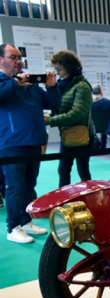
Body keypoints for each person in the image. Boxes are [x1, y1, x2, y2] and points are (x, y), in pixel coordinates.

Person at [0, 43, 60, 243]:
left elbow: (52, 104)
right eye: (13, 57)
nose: (18, 62)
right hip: (11, 143)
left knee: (29, 185)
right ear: (1, 60)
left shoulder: (29, 82)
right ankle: (13, 227)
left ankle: (26, 222)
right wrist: (16, 83)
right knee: (14, 187)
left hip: (34, 141)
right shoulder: (5, 82)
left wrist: (52, 87)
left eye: (19, 58)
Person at [46, 50, 94, 189]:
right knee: (63, 170)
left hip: (82, 135)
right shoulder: (60, 86)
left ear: (70, 67)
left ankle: (90, 199)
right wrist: (51, 88)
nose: (58, 72)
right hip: (66, 134)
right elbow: (56, 107)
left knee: (83, 171)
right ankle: (63, 201)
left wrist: (50, 120)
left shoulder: (82, 86)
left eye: (60, 69)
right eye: (56, 69)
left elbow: (76, 113)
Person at [91, 84, 110, 149]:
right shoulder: (108, 102)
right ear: (101, 92)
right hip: (107, 127)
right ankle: (103, 145)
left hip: (92, 127)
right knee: (105, 122)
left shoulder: (89, 104)